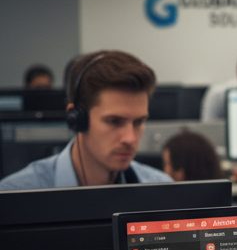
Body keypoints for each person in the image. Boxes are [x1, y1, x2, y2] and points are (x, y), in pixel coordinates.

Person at [0, 50, 172, 189]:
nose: (130, 138)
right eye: (114, 121)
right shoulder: (15, 195)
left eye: (139, 122)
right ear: (77, 119)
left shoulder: (162, 190)